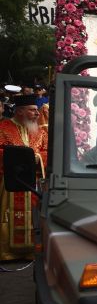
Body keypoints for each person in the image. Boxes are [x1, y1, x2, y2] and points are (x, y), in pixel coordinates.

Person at [0, 94, 47, 261]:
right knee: (8, 215)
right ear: (20, 111)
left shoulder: (40, 131)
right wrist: (21, 157)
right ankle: (7, 252)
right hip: (11, 183)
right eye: (32, 110)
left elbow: (47, 151)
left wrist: (38, 157)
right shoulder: (3, 128)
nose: (37, 114)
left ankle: (32, 251)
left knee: (33, 216)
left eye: (37, 110)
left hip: (33, 184)